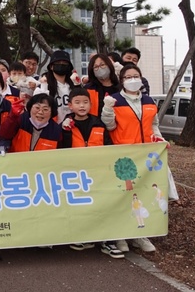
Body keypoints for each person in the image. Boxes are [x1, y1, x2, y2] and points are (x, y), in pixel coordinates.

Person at [101, 63, 167, 254]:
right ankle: (121, 236)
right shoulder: (114, 100)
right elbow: (109, 126)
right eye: (128, 77)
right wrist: (107, 109)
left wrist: (159, 139)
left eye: (135, 76)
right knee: (123, 196)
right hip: (123, 155)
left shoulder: (148, 101)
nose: (132, 80)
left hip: (146, 157)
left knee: (142, 195)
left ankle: (139, 235)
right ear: (121, 81)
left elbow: (154, 125)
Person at [59, 88, 119, 258]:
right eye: (77, 102)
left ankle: (107, 241)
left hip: (98, 173)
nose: (82, 106)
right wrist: (64, 129)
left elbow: (108, 145)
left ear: (91, 105)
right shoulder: (66, 125)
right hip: (75, 174)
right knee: (80, 206)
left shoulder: (99, 123)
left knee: (103, 205)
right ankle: (82, 236)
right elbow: (61, 148)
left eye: (85, 102)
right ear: (70, 106)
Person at [41, 50, 80, 123]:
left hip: (73, 127)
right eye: (58, 63)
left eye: (65, 63)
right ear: (51, 66)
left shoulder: (74, 85)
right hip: (52, 127)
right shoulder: (44, 84)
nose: (61, 65)